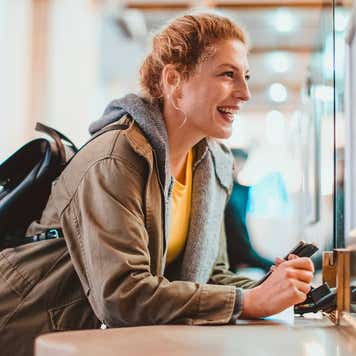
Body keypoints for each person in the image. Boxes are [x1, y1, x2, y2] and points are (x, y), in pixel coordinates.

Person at [0, 13, 314, 356]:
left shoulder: (213, 166)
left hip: (86, 339)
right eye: (228, 74)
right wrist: (248, 300)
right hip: (24, 330)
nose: (245, 92)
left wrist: (278, 288)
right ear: (174, 80)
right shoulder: (115, 160)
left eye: (246, 76)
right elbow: (123, 295)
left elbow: (212, 276)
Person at [225, 149, 274, 273]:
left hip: (238, 250)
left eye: (241, 164)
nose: (239, 167)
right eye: (237, 163)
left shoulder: (240, 192)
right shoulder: (228, 193)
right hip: (233, 250)